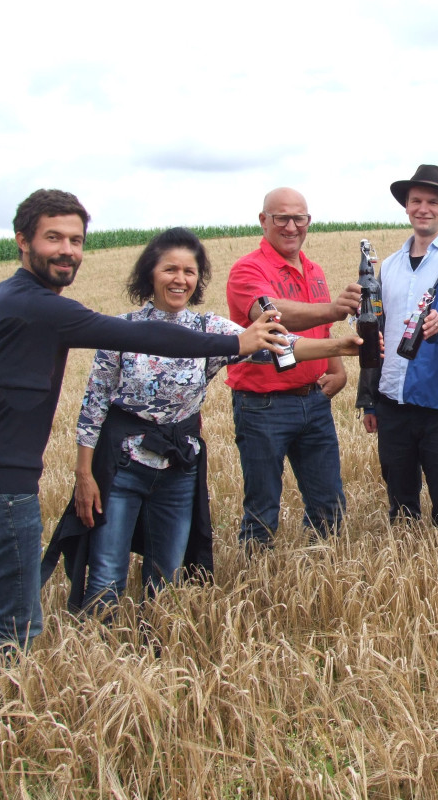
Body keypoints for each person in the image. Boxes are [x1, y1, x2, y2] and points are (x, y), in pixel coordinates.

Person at [0, 190, 289, 674]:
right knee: (16, 627)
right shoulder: (37, 305)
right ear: (22, 241)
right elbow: (139, 335)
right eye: (53, 238)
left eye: (76, 240)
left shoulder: (4, 296)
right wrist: (235, 340)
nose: (67, 250)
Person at [44, 227, 360, 613]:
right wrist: (83, 474)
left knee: (168, 574)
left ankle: (156, 648)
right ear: (150, 275)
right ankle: (94, 654)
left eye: (189, 272)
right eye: (170, 270)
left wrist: (339, 346)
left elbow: (278, 345)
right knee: (108, 571)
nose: (180, 279)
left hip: (180, 465)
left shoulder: (209, 329)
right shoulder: (121, 329)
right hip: (124, 465)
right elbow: (93, 407)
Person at [225, 188, 362, 549]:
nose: (290, 226)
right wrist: (335, 308)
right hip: (262, 405)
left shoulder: (314, 270)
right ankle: (257, 588)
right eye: (280, 218)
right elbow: (269, 312)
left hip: (313, 401)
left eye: (298, 218)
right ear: (263, 221)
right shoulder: (248, 269)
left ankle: (323, 581)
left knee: (329, 508)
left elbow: (321, 328)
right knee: (262, 510)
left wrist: (338, 368)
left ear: (308, 222)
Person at [356, 165, 438, 539]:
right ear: (407, 207)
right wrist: (370, 400)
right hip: (392, 402)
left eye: (433, 202)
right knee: (401, 502)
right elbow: (375, 329)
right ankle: (410, 577)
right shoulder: (391, 266)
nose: (423, 208)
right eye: (416, 201)